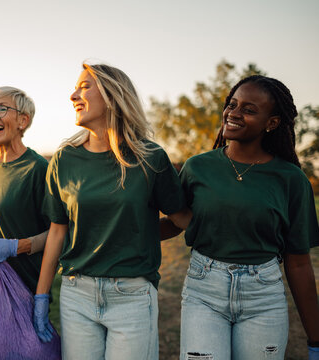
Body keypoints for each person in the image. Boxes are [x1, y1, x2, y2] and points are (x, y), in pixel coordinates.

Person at [32, 63, 192, 360]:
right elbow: (57, 231)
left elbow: (182, 220)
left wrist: (136, 236)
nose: (73, 95)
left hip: (132, 295)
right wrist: (42, 295)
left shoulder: (150, 158)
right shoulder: (64, 159)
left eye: (84, 86)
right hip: (76, 293)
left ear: (113, 95)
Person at [176, 75, 319, 360]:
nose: (234, 114)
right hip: (204, 291)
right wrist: (124, 229)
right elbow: (178, 220)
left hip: (263, 297)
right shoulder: (197, 167)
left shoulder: (290, 179)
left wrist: (316, 340)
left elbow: (299, 262)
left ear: (272, 123)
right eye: (232, 104)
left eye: (249, 110)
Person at [0, 86, 49, 294]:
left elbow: (58, 233)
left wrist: (14, 247)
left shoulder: (37, 168)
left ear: (23, 121)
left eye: (2, 109)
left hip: (22, 289)